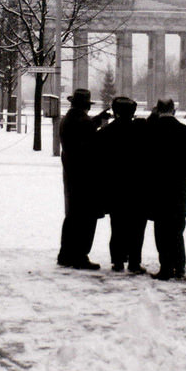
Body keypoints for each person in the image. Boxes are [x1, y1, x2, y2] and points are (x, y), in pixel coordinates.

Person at [56, 88, 111, 270]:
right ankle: (80, 255)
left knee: (72, 216)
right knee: (85, 218)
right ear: (85, 106)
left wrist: (96, 120)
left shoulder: (69, 119)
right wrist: (104, 127)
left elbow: (85, 130)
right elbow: (93, 144)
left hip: (72, 175)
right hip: (86, 177)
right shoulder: (81, 121)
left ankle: (66, 254)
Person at [146, 98, 186, 281]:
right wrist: (181, 177)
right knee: (177, 229)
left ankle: (166, 267)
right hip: (179, 190)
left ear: (158, 110)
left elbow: (144, 162)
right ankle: (180, 266)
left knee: (162, 231)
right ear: (174, 110)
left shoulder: (151, 131)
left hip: (158, 189)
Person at [96, 96, 149, 274]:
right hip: (138, 187)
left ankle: (117, 260)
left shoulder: (106, 133)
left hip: (115, 187)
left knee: (117, 225)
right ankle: (134, 261)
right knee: (137, 226)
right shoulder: (142, 131)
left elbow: (99, 161)